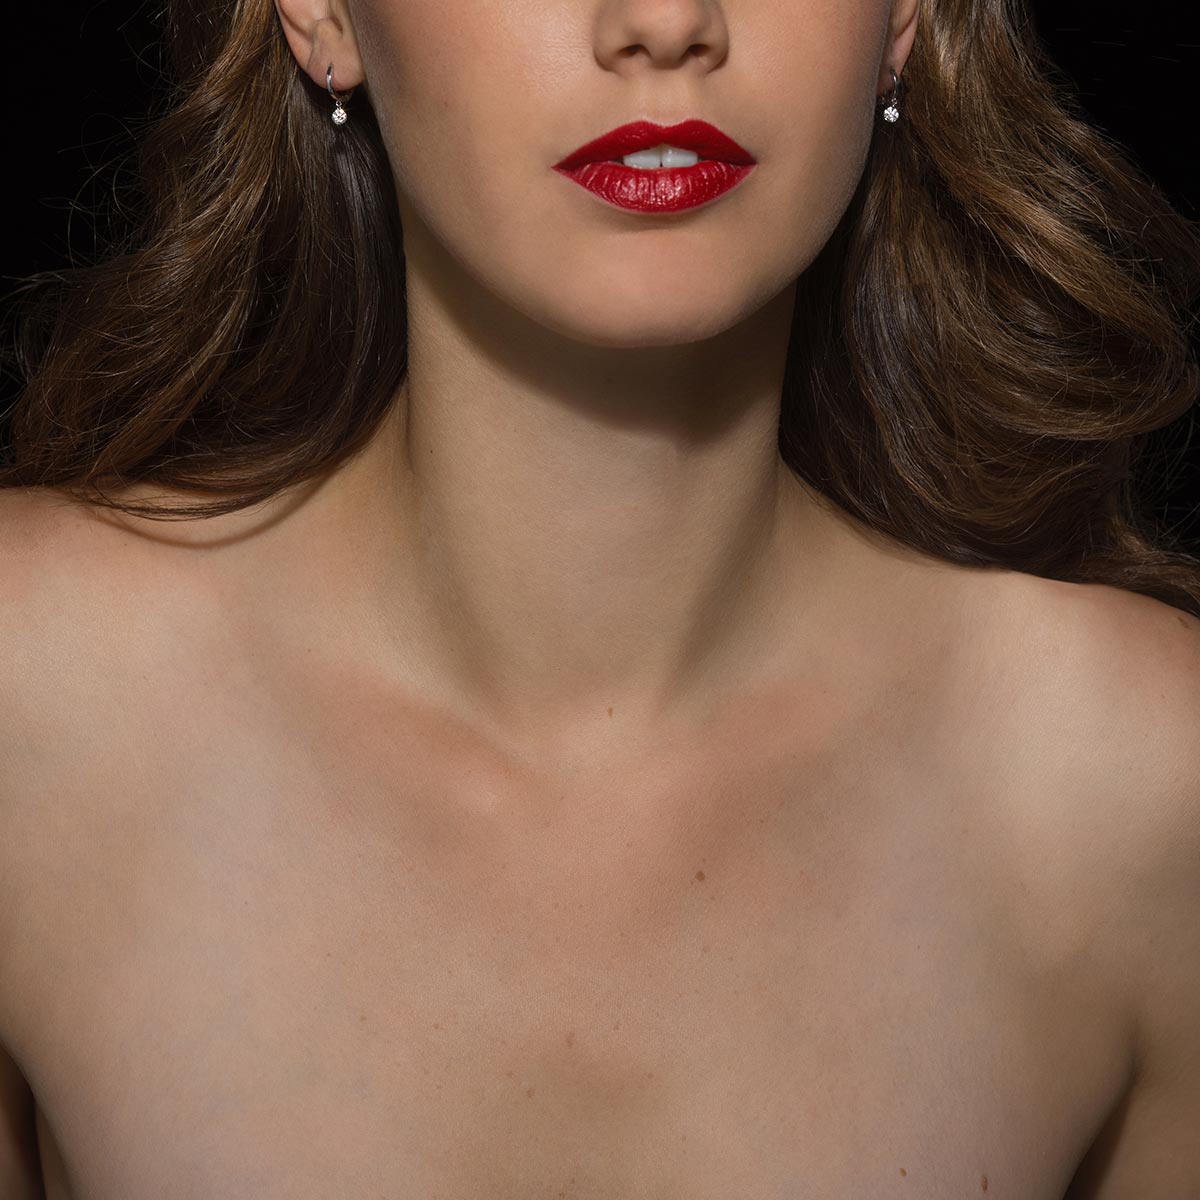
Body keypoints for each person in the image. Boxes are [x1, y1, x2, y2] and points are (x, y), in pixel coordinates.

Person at [1, 0, 1198, 1194]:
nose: (665, 22)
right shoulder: (39, 705)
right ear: (320, 14)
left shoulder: (1133, 792)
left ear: (905, 16)